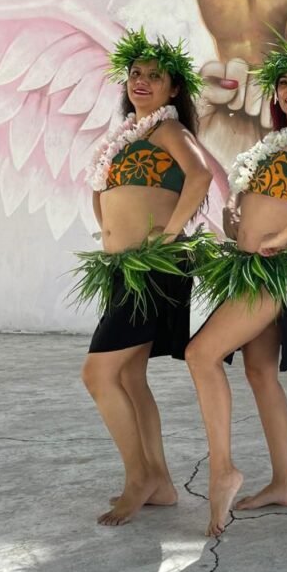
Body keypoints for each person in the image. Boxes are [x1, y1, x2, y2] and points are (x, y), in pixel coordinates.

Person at [184, 37, 287, 537]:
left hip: (276, 268)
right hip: (252, 264)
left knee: (200, 354)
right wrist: (241, 220)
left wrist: (280, 234)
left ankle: (222, 470)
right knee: (259, 372)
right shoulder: (279, 141)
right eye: (284, 82)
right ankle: (284, 482)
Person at [74, 29, 213, 526]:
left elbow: (200, 175)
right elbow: (103, 191)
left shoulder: (169, 130)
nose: (142, 81)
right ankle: (161, 482)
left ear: (173, 88)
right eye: (136, 74)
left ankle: (138, 477)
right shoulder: (128, 137)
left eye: (155, 76)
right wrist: (108, 229)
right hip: (125, 269)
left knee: (98, 374)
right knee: (129, 376)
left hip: (154, 269)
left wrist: (170, 233)